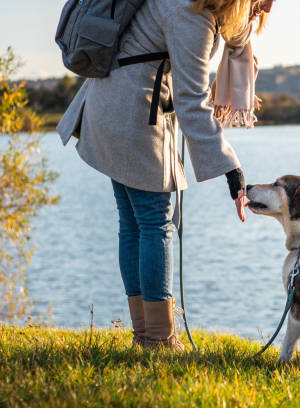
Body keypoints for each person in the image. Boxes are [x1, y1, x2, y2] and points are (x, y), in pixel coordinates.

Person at [57, 0, 275, 351]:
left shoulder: (191, 6)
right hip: (132, 114)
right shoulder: (192, 16)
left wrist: (255, 13)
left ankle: (145, 335)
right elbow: (191, 100)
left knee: (133, 223)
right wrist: (232, 169)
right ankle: (159, 340)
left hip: (109, 103)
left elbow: (235, 37)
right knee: (156, 222)